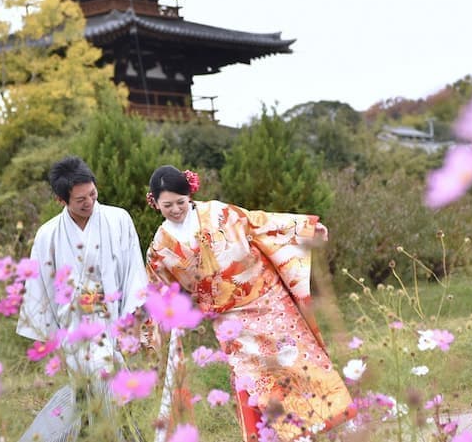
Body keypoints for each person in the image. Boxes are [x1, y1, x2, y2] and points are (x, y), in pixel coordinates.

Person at [145, 165, 354, 442]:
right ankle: (275, 434)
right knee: (253, 377)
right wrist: (152, 331)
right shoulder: (159, 249)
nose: (175, 209)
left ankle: (330, 416)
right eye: (167, 205)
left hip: (267, 299)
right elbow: (160, 293)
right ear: (154, 203)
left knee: (295, 358)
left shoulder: (220, 213)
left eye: (180, 202)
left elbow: (259, 223)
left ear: (190, 196)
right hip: (228, 320)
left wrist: (306, 229)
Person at [17, 156, 150, 442]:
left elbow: (133, 271)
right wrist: (51, 336)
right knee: (89, 387)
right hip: (72, 324)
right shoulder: (48, 235)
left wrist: (132, 319)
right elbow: (39, 287)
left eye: (92, 194)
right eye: (80, 199)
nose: (89, 201)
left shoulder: (118, 219)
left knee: (105, 380)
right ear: (60, 199)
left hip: (111, 317)